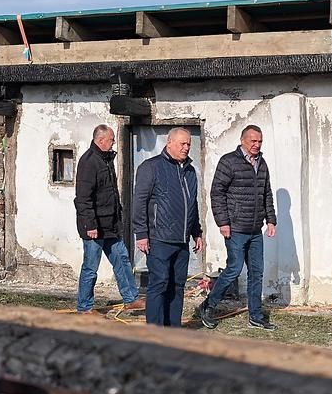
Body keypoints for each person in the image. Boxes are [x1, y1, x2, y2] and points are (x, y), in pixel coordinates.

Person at [199, 124, 278, 330]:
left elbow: (266, 193)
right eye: (253, 141)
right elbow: (217, 193)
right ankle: (208, 305)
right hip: (235, 228)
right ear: (243, 140)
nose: (257, 145)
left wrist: (271, 220)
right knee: (234, 269)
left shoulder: (262, 164)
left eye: (260, 141)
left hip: (255, 230)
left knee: (256, 272)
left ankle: (256, 315)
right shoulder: (229, 161)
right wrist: (223, 222)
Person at [132, 127, 203, 327]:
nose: (186, 147)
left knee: (177, 285)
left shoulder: (190, 170)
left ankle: (173, 329)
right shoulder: (151, 167)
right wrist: (142, 234)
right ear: (169, 143)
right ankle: (155, 330)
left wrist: (196, 232)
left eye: (189, 144)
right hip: (159, 238)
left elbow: (192, 204)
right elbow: (140, 201)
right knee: (159, 283)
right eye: (182, 143)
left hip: (181, 240)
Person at [74, 124, 144, 313]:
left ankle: (131, 298)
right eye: (111, 139)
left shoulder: (106, 159)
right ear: (100, 140)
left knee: (122, 260)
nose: (113, 143)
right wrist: (90, 224)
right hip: (94, 226)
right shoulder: (89, 162)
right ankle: (85, 308)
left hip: (110, 224)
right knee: (90, 267)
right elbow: (83, 198)